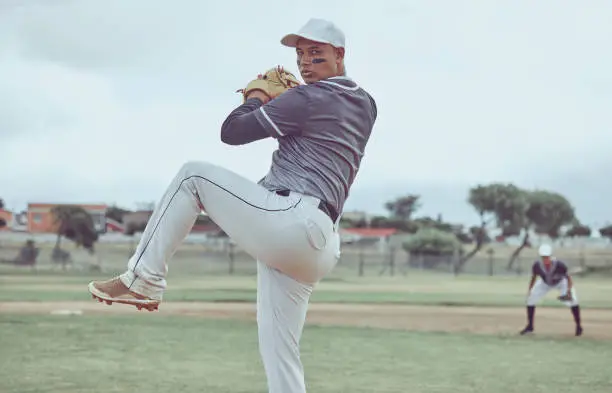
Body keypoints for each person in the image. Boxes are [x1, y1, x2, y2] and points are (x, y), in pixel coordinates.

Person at [87, 18, 377, 393]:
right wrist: (283, 103)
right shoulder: (366, 103)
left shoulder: (308, 97)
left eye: (316, 54)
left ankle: (144, 279)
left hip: (291, 223)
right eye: (301, 54)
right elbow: (316, 126)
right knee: (281, 355)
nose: (305, 63)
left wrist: (256, 96)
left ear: (340, 54)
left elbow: (233, 132)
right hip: (319, 244)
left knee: (193, 177)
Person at [520, 243, 583, 337]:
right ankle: (530, 326)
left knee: (573, 301)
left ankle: (578, 326)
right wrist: (530, 290)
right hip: (545, 283)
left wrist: (568, 291)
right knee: (530, 300)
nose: (545, 259)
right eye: (543, 257)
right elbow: (534, 277)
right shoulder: (537, 265)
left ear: (551, 256)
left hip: (561, 283)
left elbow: (568, 278)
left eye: (547, 257)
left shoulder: (560, 265)